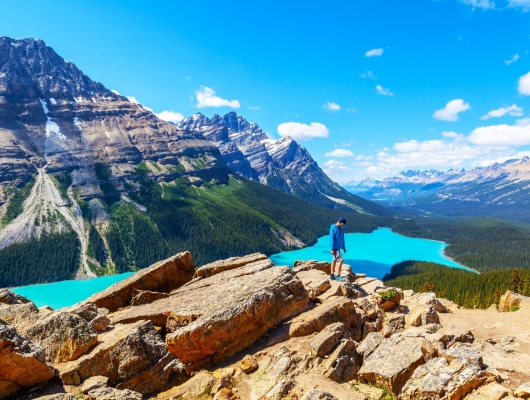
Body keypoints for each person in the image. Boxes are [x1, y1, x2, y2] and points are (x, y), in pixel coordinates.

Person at [329, 217, 347, 281]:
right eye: (342, 224)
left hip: (338, 248)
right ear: (339, 222)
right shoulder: (333, 228)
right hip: (335, 248)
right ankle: (338, 276)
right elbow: (331, 239)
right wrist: (332, 249)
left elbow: (342, 238)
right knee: (341, 260)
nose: (343, 225)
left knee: (334, 260)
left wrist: (344, 247)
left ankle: (332, 275)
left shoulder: (341, 229)